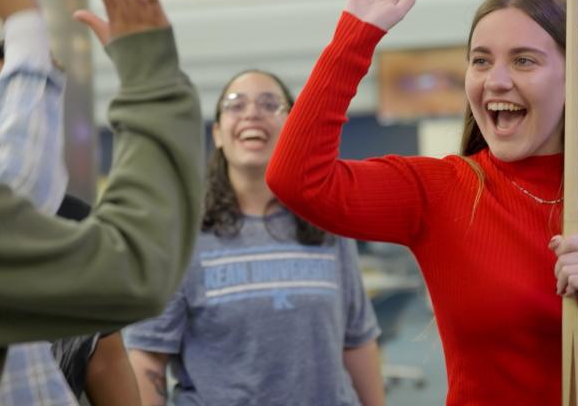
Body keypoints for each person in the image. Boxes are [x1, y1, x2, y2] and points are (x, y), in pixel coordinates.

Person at [266, 0, 578, 405]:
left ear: (576, 79)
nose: (496, 80)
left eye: (524, 61)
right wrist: (354, 39)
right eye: (480, 61)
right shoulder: (443, 191)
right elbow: (296, 179)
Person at [0, 0, 204, 406]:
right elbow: (134, 269)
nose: (11, 108)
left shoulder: (66, 213)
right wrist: (27, 28)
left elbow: (105, 353)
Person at [124, 70, 384, 406]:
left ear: (291, 126)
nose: (251, 113)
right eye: (235, 105)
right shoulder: (180, 235)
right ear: (217, 133)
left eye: (269, 104)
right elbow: (148, 356)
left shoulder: (328, 223)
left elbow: (358, 341)